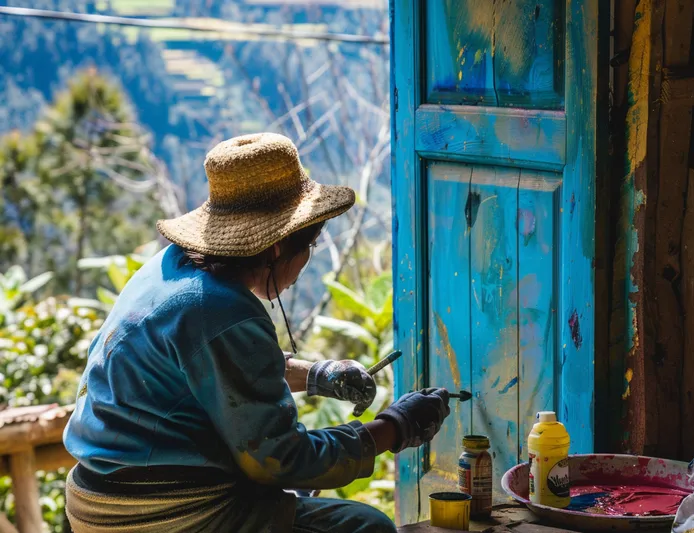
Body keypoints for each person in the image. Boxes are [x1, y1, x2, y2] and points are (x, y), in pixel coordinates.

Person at [62, 133, 451, 533]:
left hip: (95, 498)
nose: (303, 268)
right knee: (363, 525)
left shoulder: (169, 267)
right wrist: (396, 427)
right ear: (280, 246)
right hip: (161, 513)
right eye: (310, 246)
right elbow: (279, 460)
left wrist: (317, 375)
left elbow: (217, 371)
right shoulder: (220, 310)